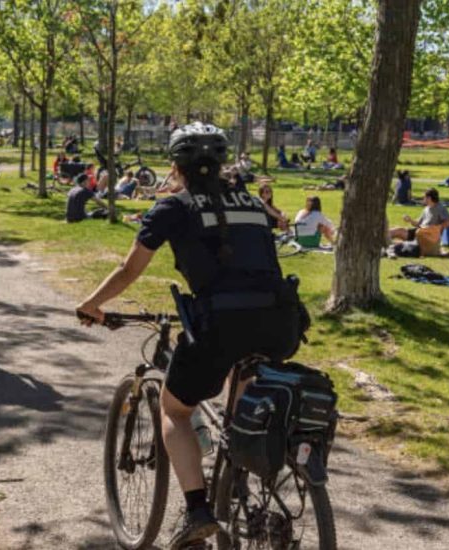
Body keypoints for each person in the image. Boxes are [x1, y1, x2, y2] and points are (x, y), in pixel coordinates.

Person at [76, 123, 303, 548]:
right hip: (280, 322)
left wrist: (91, 304)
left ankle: (198, 510)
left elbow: (129, 271)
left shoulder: (172, 208)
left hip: (221, 323)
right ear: (220, 165)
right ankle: (243, 484)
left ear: (175, 166)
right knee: (242, 404)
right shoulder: (254, 204)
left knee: (175, 410)